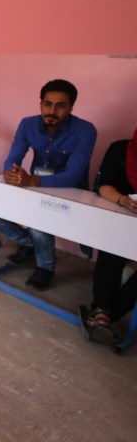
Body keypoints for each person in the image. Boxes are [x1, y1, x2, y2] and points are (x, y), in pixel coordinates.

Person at [0, 79, 97, 290]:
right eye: (47, 104)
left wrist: (32, 180)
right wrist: (11, 173)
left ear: (71, 107)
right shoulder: (28, 124)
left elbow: (73, 175)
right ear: (41, 104)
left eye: (61, 105)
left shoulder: (85, 130)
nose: (52, 110)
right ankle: (29, 244)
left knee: (38, 219)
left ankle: (45, 268)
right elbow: (13, 157)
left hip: (70, 192)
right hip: (34, 187)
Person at [78, 126, 137, 343]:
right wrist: (124, 201)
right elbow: (104, 186)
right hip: (119, 215)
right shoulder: (120, 149)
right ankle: (102, 311)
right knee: (113, 247)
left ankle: (106, 316)